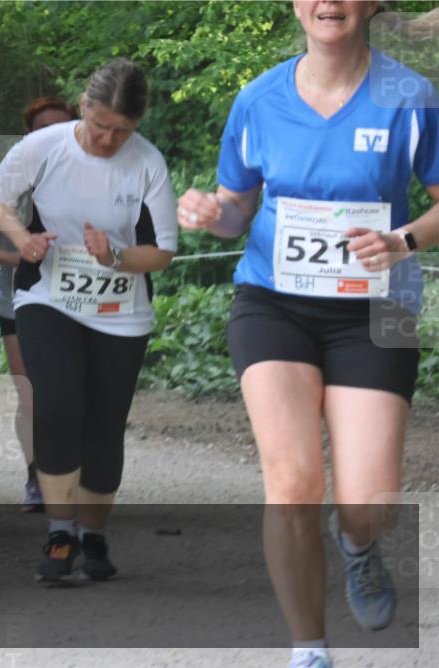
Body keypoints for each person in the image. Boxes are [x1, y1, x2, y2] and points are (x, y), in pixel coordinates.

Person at [177, 2, 439, 666]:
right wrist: (209, 213)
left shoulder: (409, 96)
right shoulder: (258, 99)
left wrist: (403, 241)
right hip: (274, 302)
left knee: (366, 504)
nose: (329, 2)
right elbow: (235, 209)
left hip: (377, 308)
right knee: (292, 481)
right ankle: (309, 649)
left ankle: (357, 544)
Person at [0, 58, 178, 582]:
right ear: (84, 107)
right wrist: (24, 240)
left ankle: (93, 535)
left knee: (104, 426)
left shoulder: (148, 164)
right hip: (48, 294)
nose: (109, 139)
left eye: (122, 131)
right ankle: (59, 533)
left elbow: (160, 253)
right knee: (57, 403)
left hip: (120, 308)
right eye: (99, 126)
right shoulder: (42, 147)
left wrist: (115, 256)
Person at [0, 97, 77, 513]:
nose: (52, 139)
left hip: (80, 302)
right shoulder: (12, 185)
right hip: (20, 301)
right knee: (31, 396)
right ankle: (35, 477)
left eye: (61, 129)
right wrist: (13, 257)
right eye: (42, 131)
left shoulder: (94, 180)